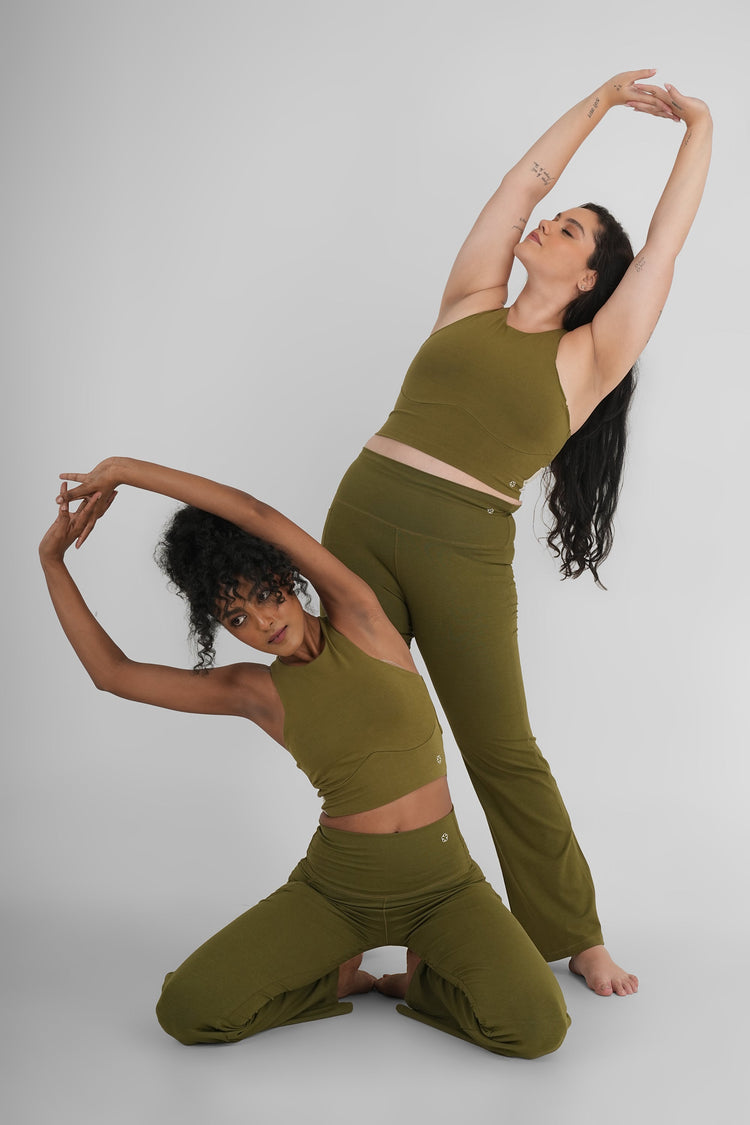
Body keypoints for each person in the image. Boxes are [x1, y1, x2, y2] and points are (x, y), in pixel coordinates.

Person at [321, 70, 712, 996]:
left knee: (502, 748)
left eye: (572, 231)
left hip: (463, 545)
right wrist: (602, 102)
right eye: (560, 216)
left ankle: (575, 932)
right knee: (363, 729)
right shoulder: (470, 297)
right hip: (363, 516)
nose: (550, 223)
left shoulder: (589, 356)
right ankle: (353, 914)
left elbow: (662, 248)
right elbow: (522, 183)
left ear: (588, 281)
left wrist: (697, 123)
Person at [39, 456, 570, 1057]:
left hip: (444, 885)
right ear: (224, 630)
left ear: (287, 581)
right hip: (336, 890)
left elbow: (254, 514)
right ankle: (335, 977)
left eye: (267, 595)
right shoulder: (255, 693)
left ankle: (420, 985)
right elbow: (113, 674)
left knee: (538, 1027)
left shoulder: (361, 617)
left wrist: (126, 471)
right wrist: (52, 561)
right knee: (186, 1011)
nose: (263, 621)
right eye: (237, 616)